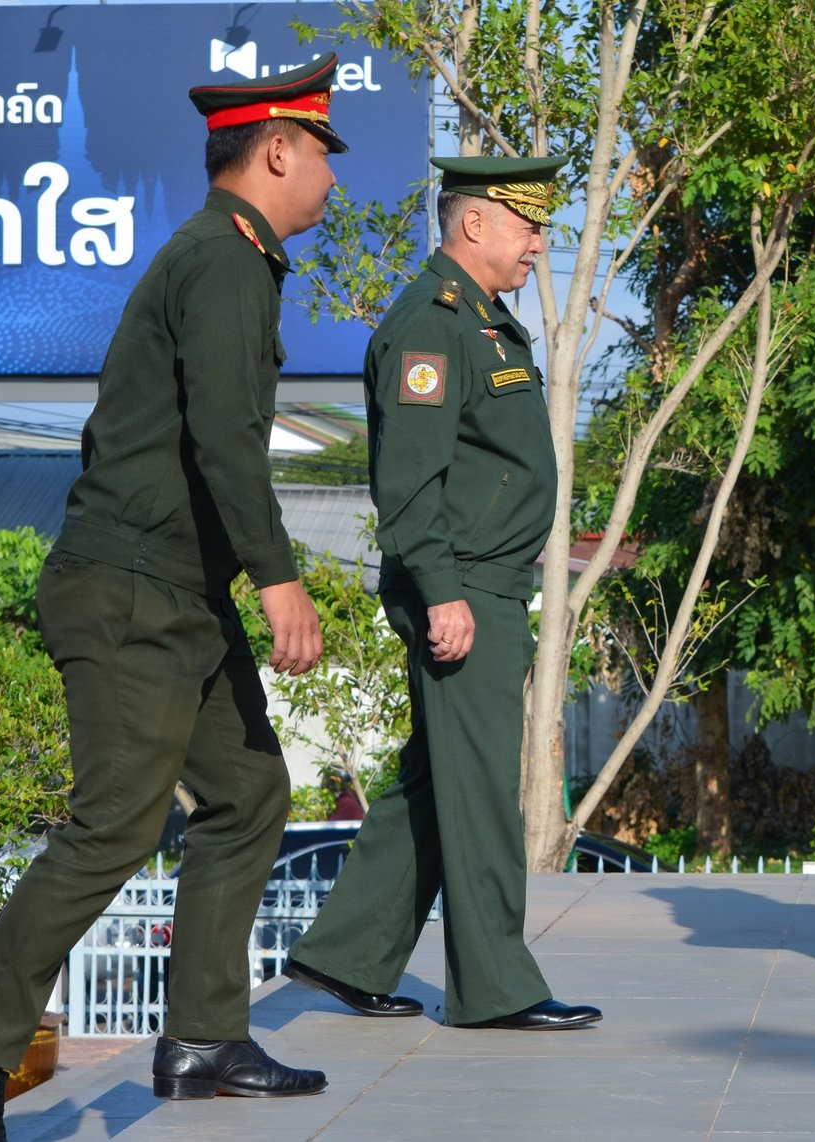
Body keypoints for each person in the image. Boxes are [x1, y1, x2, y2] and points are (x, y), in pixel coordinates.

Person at [0, 58, 346, 1139]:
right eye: (322, 154)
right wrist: (283, 577)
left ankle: (201, 1036)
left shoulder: (233, 261)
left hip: (178, 595)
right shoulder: (221, 262)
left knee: (247, 790)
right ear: (276, 149)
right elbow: (222, 440)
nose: (332, 177)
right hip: (131, 590)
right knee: (115, 824)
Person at [280, 156, 601, 1033]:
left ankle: (342, 954)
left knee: (437, 779)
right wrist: (444, 594)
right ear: (473, 226)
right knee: (483, 787)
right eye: (526, 225)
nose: (539, 244)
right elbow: (412, 481)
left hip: (486, 582)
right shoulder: (433, 323)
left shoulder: (484, 324)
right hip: (462, 589)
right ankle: (498, 986)